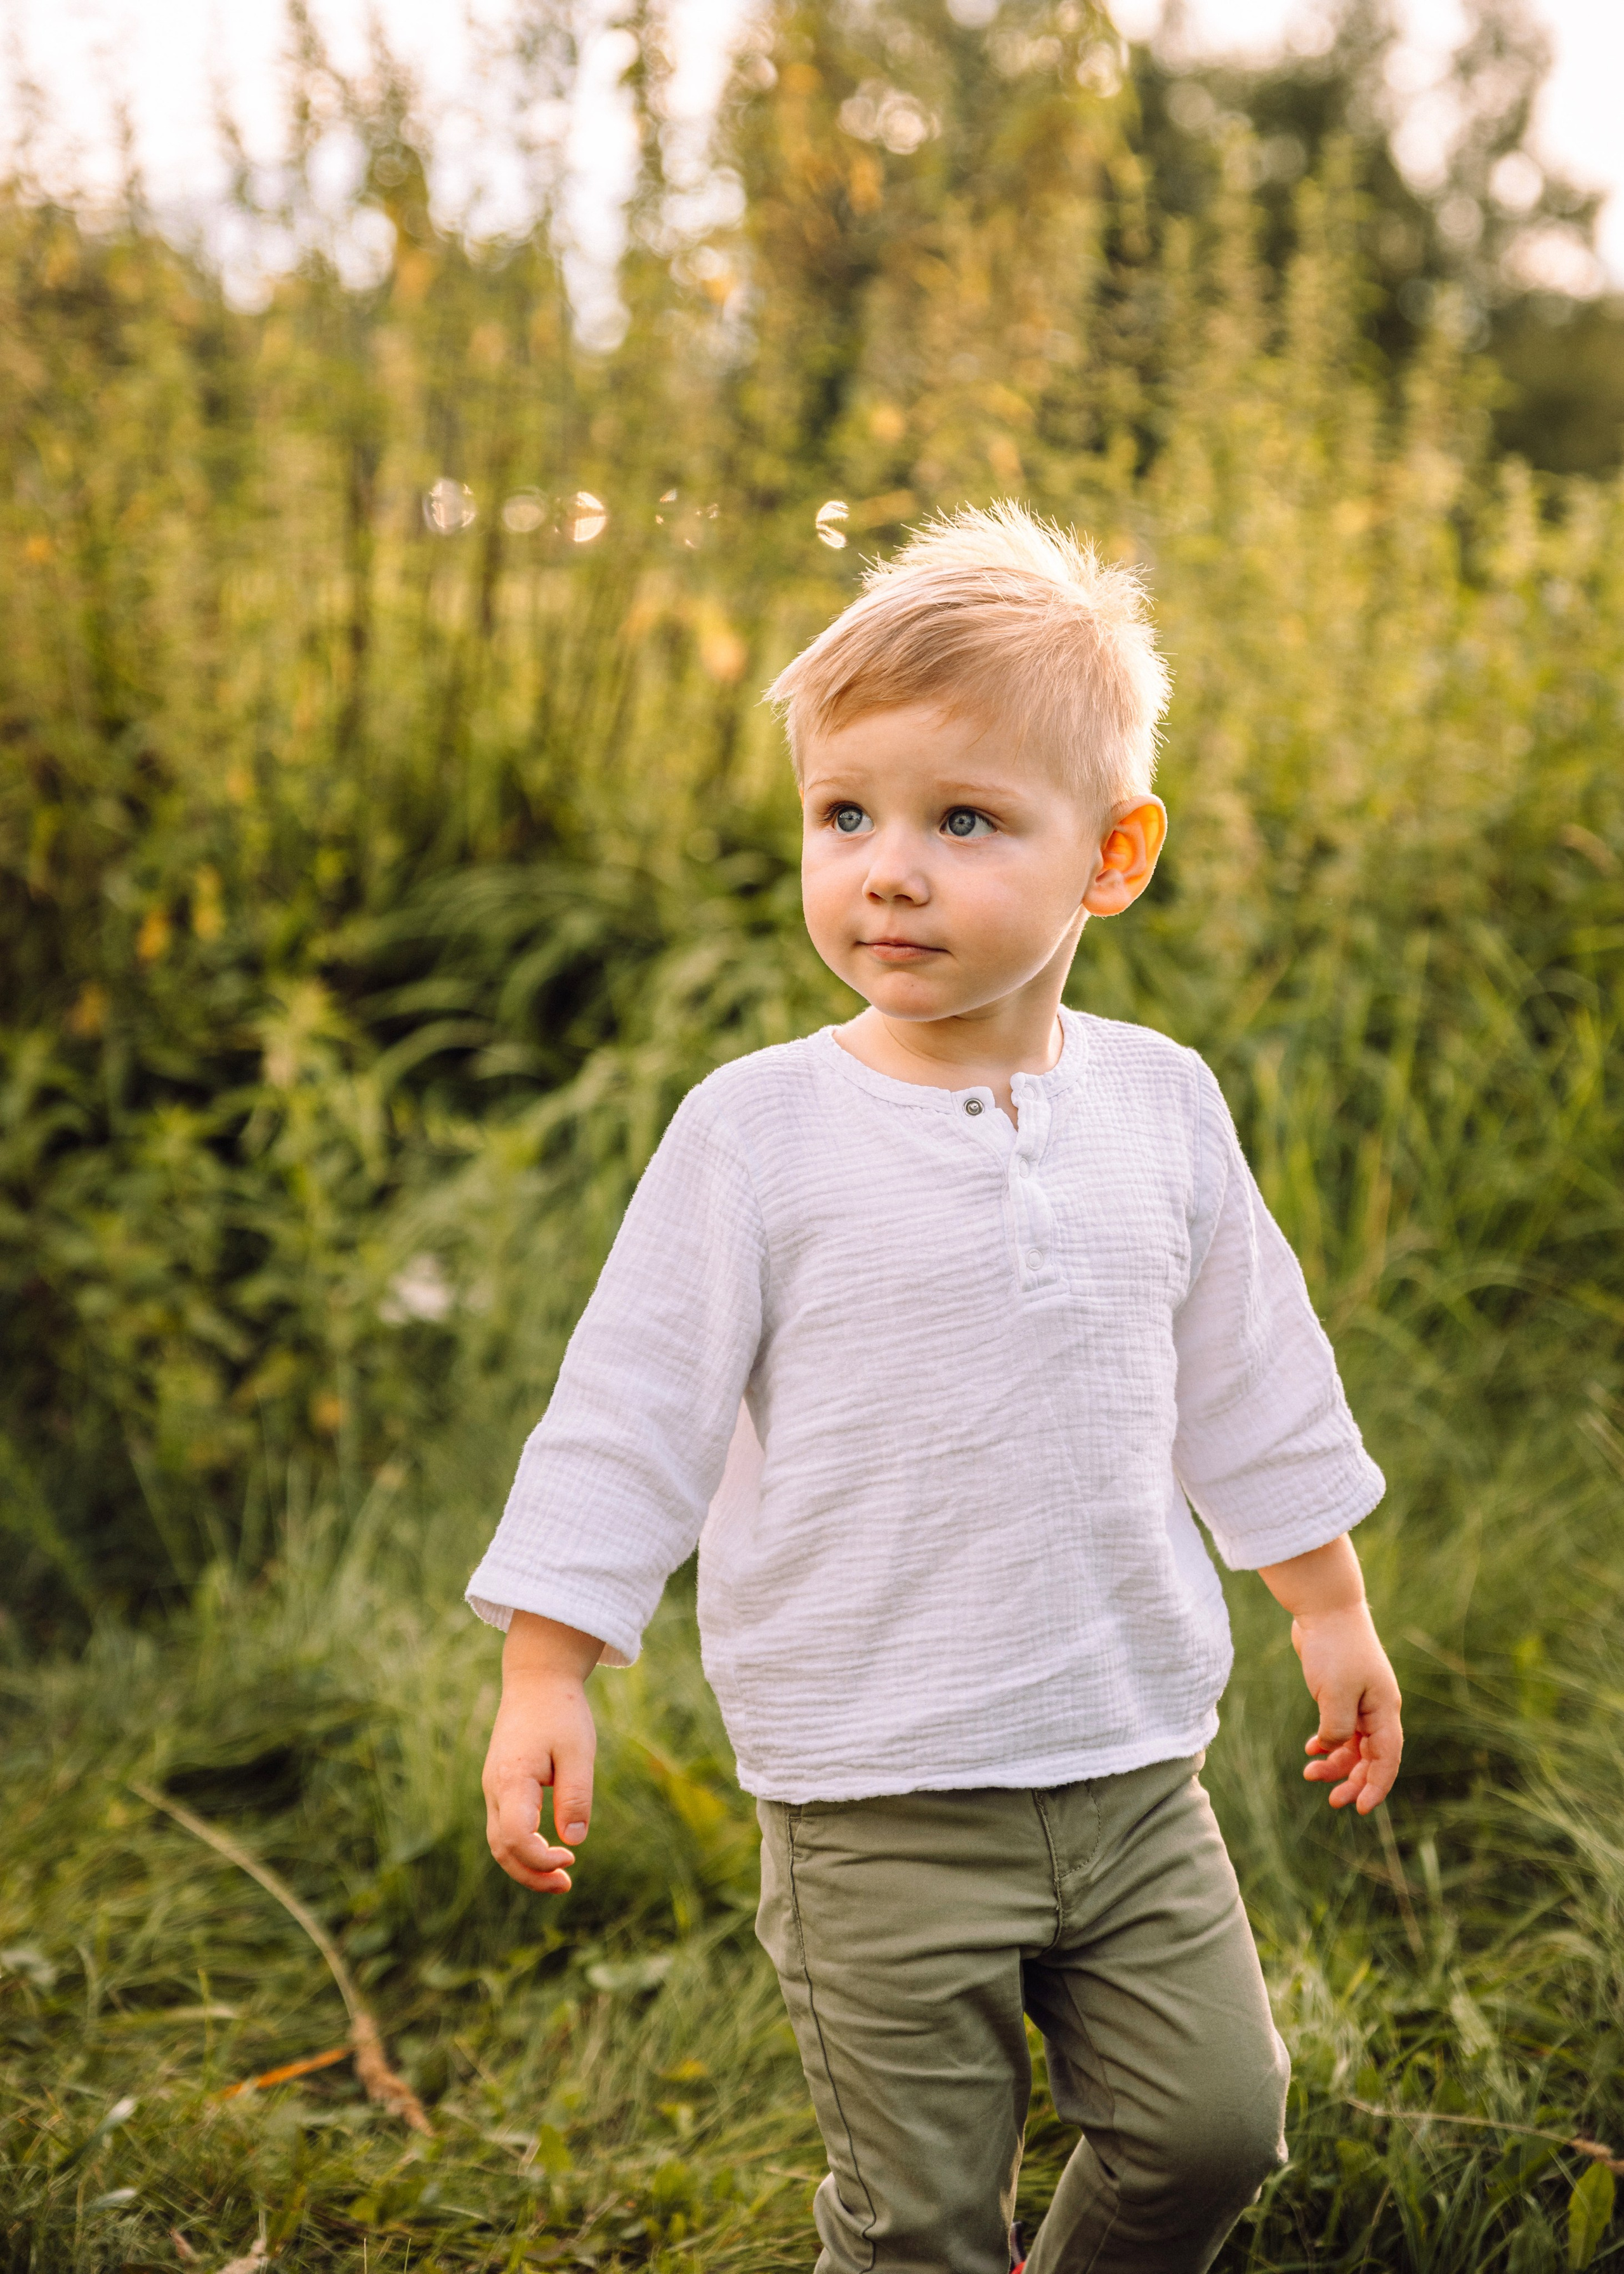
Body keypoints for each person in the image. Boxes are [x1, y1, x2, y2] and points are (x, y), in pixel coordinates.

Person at [469, 502, 1403, 2274]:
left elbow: (1254, 1370)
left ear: (1111, 858)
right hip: (873, 1789)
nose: (887, 870)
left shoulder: (1161, 1103)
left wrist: (1328, 1601)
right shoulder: (757, 1133)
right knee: (918, 2222)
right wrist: (548, 1666)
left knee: (1215, 2132)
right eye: (847, 816)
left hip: (1130, 1757)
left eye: (962, 821)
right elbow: (631, 1408)